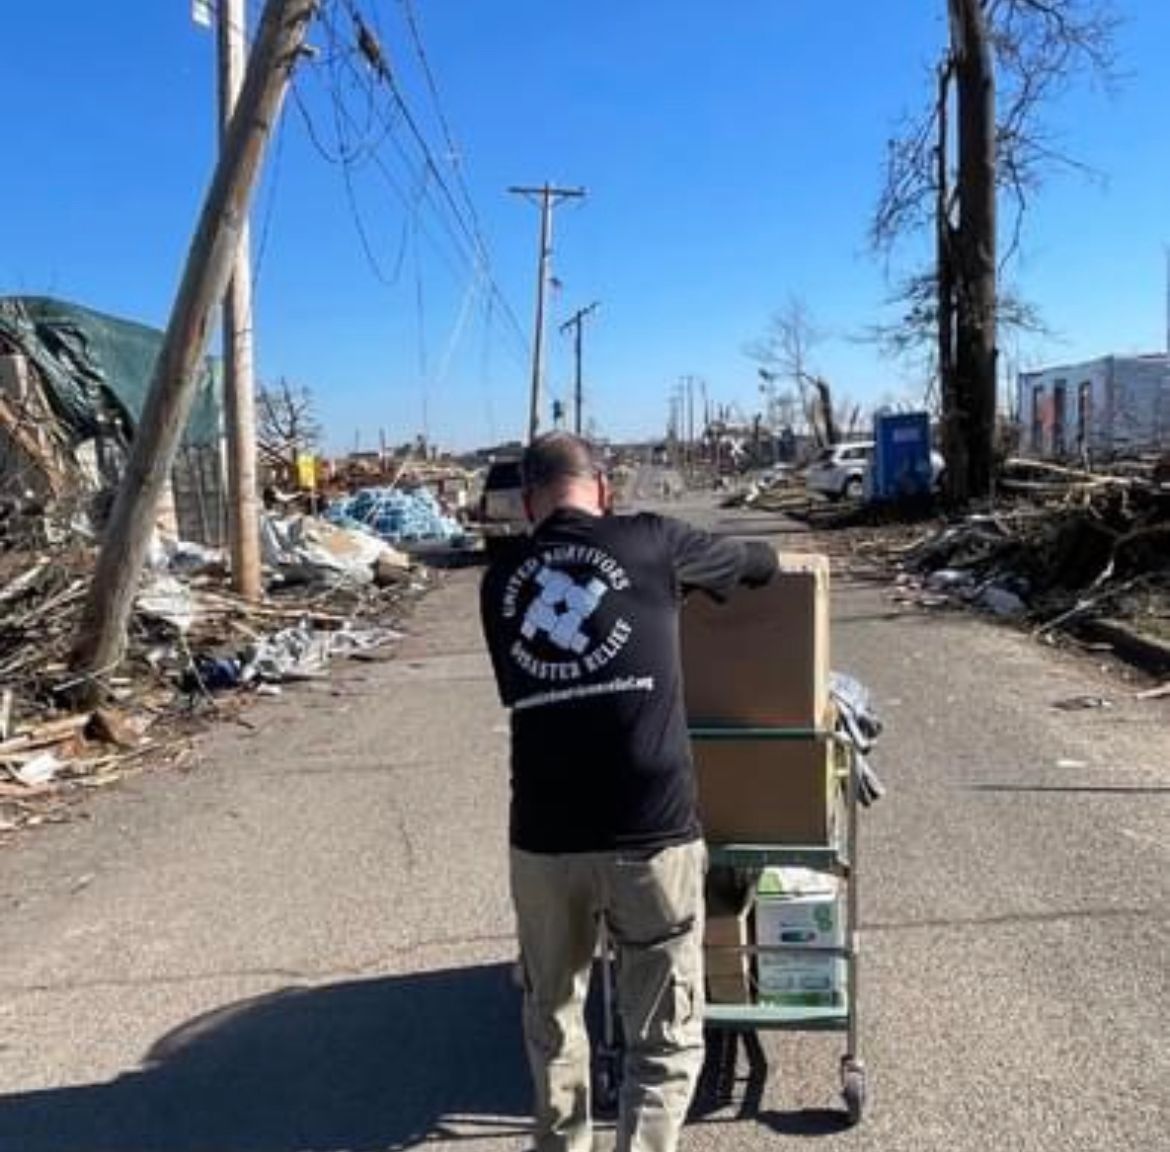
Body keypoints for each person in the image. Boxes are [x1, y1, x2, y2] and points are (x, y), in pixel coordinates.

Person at [480, 432, 777, 1152]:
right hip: (650, 829)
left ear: (527, 504)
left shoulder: (500, 583)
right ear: (605, 489)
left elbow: (529, 686)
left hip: (546, 840)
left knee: (553, 1018)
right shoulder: (652, 541)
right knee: (664, 1036)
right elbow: (758, 563)